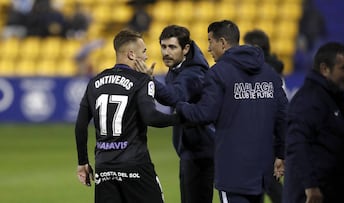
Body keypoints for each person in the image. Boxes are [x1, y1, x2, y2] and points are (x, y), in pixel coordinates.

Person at [175, 20, 288, 203]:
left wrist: (180, 106)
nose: (209, 48)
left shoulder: (219, 72)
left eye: (210, 41)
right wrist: (281, 154)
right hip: (261, 171)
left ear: (223, 43)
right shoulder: (268, 73)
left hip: (233, 171)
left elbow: (205, 114)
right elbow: (283, 115)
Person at [75, 29, 180, 203]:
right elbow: (151, 117)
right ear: (132, 54)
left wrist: (82, 162)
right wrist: (182, 118)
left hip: (104, 168)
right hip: (135, 165)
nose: (146, 57)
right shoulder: (141, 80)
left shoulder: (94, 82)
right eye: (144, 51)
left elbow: (80, 125)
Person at [135, 25, 215, 203]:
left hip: (200, 152)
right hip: (192, 149)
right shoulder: (179, 67)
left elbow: (175, 96)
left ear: (186, 49)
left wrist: (150, 82)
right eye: (163, 47)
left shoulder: (193, 74)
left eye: (172, 47)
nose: (166, 52)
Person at [283, 42, 344, 203]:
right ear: (325, 69)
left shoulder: (334, 99)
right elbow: (297, 145)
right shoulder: (309, 100)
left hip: (335, 194)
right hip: (314, 197)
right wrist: (311, 187)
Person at [243, 29, 284, 203]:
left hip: (265, 137)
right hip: (270, 135)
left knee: (268, 186)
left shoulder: (264, 70)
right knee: (266, 185)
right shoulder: (274, 67)